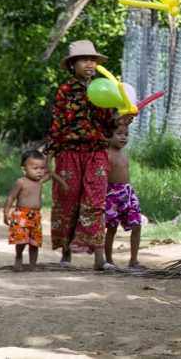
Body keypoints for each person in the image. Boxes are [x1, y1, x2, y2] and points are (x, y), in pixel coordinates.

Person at [44, 40, 132, 271]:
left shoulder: (104, 89)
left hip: (96, 154)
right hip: (69, 154)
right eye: (84, 60)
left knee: (96, 201)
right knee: (67, 199)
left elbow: (108, 124)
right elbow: (56, 124)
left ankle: (99, 259)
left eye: (92, 60)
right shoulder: (64, 91)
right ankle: (65, 254)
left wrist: (120, 121)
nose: (90, 64)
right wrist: (49, 158)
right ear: (72, 65)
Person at [4, 150, 68, 272]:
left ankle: (33, 265)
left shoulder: (39, 181)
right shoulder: (21, 182)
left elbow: (51, 174)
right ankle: (18, 257)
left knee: (35, 241)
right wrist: (6, 213)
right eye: (35, 168)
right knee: (21, 240)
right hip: (21, 215)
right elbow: (11, 197)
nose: (39, 171)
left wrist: (63, 184)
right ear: (24, 169)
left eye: (41, 168)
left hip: (35, 216)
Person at [105, 124, 147, 271]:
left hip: (128, 193)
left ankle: (134, 261)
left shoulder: (125, 156)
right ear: (108, 136)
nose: (124, 137)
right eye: (119, 133)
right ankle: (108, 260)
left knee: (137, 224)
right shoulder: (106, 156)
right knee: (112, 228)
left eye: (126, 134)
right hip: (111, 194)